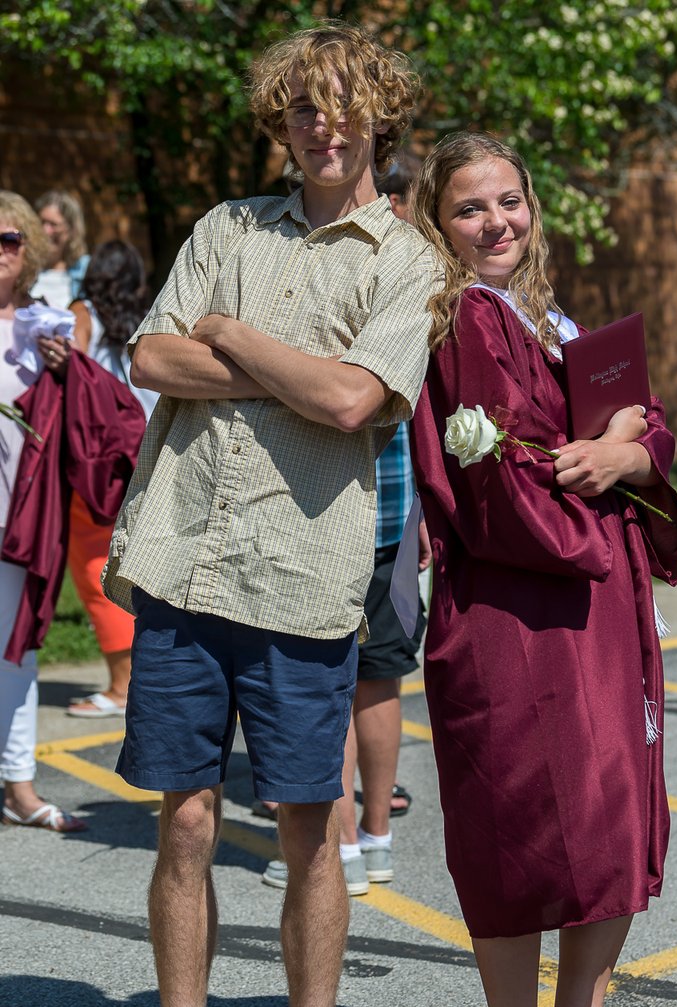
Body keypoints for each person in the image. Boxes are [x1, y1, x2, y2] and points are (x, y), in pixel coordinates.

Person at [102, 22, 436, 1007]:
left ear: (376, 117)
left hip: (303, 581)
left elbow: (356, 402)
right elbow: (150, 361)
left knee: (311, 835)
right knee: (186, 823)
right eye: (303, 106)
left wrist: (236, 335)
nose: (323, 125)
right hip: (188, 560)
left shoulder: (408, 260)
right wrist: (303, 375)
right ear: (281, 120)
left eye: (344, 105)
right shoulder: (223, 227)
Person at [409, 133, 677, 1007]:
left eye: (508, 201)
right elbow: (490, 479)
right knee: (522, 828)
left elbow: (638, 421)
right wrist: (599, 482)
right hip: (515, 610)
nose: (497, 223)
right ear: (435, 225)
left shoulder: (547, 313)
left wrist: (627, 451)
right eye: (469, 209)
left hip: (594, 606)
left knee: (610, 814)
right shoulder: (454, 323)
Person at [260, 150, 428, 894]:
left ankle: (349, 843)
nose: (388, 207)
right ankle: (367, 839)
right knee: (375, 684)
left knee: (340, 684)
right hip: (385, 515)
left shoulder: (370, 273)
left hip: (342, 515)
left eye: (396, 195)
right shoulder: (423, 278)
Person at [0, 191, 87, 832]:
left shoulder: (45, 324)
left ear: (28, 247)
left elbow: (83, 416)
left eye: (9, 240)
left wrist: (67, 369)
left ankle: (19, 788)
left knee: (17, 650)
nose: (0, 252)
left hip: (19, 518)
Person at [64, 241, 157, 718]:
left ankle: (122, 686)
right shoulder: (149, 313)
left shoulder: (82, 312)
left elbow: (67, 370)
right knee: (131, 570)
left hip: (97, 460)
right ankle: (140, 678)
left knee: (94, 567)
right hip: (145, 454)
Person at [33, 191, 90, 310]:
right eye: (42, 222)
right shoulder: (23, 268)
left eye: (53, 224)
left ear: (71, 230)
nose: (45, 231)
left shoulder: (85, 271)